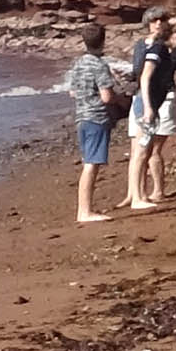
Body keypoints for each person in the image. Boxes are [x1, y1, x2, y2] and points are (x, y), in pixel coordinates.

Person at [55, 20, 124, 223]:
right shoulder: (99, 64)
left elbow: (72, 92)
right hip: (97, 117)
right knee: (91, 165)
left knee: (89, 162)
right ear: (103, 42)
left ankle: (85, 210)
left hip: (81, 116)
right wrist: (122, 99)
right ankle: (84, 212)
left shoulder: (78, 63)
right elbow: (107, 97)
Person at [125, 11, 176, 210]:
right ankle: (137, 197)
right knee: (142, 151)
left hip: (150, 101)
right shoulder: (158, 48)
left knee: (143, 150)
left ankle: (139, 195)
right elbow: (143, 76)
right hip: (148, 102)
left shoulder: (159, 48)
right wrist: (149, 108)